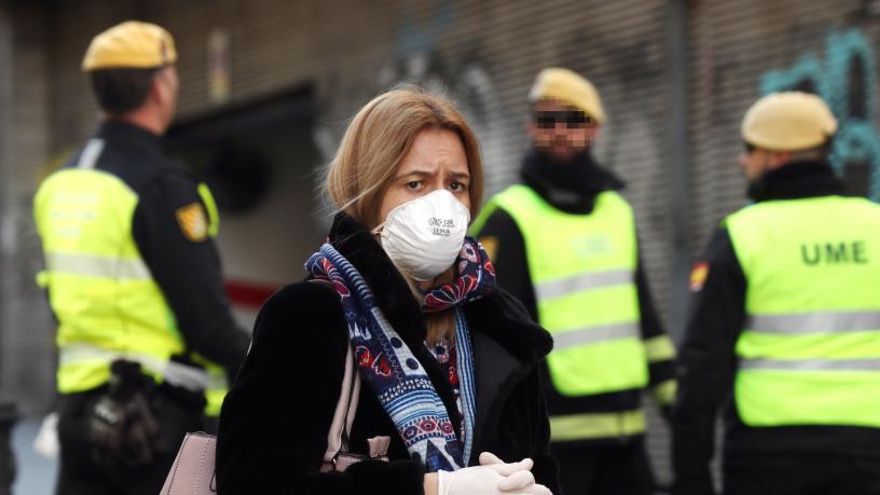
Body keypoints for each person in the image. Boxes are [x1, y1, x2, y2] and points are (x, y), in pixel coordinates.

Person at [216, 87, 559, 495]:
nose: (441, 205)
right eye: (415, 183)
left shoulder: (500, 324)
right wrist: (433, 489)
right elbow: (252, 482)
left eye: (456, 185)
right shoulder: (309, 315)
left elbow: (540, 463)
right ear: (368, 194)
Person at [33, 21, 249, 495]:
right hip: (157, 424)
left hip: (80, 417)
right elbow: (205, 322)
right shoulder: (160, 184)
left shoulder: (59, 184)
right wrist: (261, 361)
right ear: (161, 86)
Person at [470, 68, 677, 495]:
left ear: (595, 128)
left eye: (574, 120)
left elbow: (646, 320)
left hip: (627, 435)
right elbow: (495, 335)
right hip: (554, 441)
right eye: (547, 121)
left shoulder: (617, 211)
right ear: (530, 127)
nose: (560, 132)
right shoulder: (509, 216)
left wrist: (681, 407)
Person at [672, 91, 880, 494]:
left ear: (777, 156)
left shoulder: (743, 234)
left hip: (768, 455)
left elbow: (702, 365)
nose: (741, 160)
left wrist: (691, 475)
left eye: (750, 149)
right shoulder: (875, 226)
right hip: (869, 450)